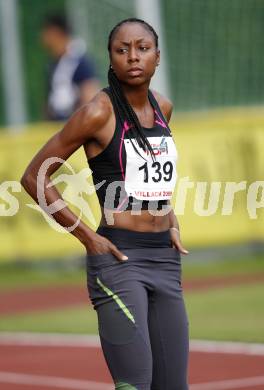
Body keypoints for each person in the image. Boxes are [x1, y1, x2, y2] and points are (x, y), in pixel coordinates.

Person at [21, 17, 190, 390]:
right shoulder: (98, 112)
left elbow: (152, 180)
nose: (133, 57)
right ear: (110, 59)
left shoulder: (164, 107)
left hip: (165, 259)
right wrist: (87, 237)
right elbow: (34, 177)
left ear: (157, 57)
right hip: (118, 262)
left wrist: (172, 220)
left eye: (142, 48)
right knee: (135, 384)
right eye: (122, 49)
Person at [41, 14, 100, 121]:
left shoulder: (80, 61)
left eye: (46, 32)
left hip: (73, 126)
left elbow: (90, 96)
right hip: (55, 126)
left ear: (55, 32)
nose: (43, 37)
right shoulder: (53, 63)